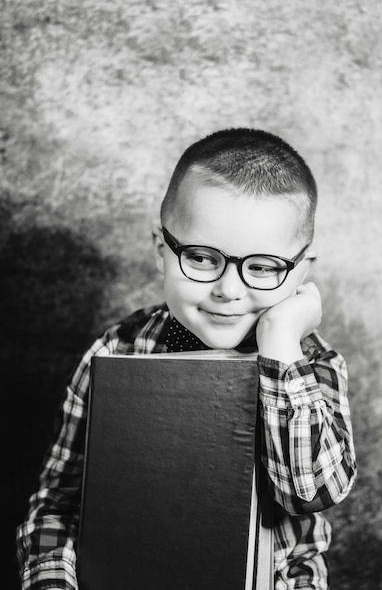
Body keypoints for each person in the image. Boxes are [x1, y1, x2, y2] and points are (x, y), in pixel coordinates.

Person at [16, 128, 356, 589]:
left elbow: (311, 491)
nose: (228, 290)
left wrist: (278, 338)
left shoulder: (312, 366)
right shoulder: (114, 353)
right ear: (162, 249)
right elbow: (58, 503)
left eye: (262, 267)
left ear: (300, 270)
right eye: (200, 257)